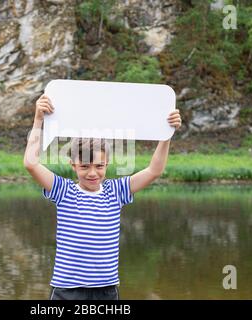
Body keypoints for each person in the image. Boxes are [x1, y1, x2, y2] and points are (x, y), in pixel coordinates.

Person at [23, 94, 182, 300]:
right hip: (67, 290)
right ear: (73, 165)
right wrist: (38, 119)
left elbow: (154, 170)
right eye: (84, 166)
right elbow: (31, 164)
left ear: (107, 164)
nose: (92, 173)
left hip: (106, 289)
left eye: (99, 166)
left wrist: (166, 133)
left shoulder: (116, 192)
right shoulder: (64, 191)